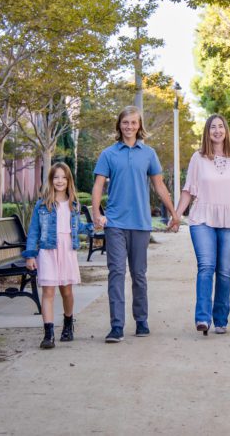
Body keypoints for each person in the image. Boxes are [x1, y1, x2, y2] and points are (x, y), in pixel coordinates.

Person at [91, 105, 176, 343]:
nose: (129, 127)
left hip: (140, 223)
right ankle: (116, 325)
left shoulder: (148, 153)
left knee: (139, 274)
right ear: (119, 125)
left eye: (134, 123)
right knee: (116, 273)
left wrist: (173, 213)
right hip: (115, 222)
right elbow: (98, 185)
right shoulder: (108, 154)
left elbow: (159, 185)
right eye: (125, 122)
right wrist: (97, 213)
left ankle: (141, 321)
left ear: (140, 126)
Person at [168, 114, 230, 336]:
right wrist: (177, 215)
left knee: (224, 271)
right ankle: (203, 318)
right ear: (207, 131)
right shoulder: (198, 158)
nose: (217, 130)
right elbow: (188, 190)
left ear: (226, 130)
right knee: (206, 267)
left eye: (220, 126)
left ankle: (220, 319)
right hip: (202, 218)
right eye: (212, 127)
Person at [23, 162, 83, 348]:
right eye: (56, 177)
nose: (60, 180)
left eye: (64, 177)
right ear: (50, 180)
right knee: (48, 291)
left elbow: (77, 227)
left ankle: (68, 324)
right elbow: (33, 231)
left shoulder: (73, 204)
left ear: (69, 180)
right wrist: (30, 255)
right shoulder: (42, 205)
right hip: (47, 251)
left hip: (67, 250)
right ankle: (48, 334)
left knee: (66, 291)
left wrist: (93, 226)